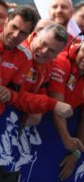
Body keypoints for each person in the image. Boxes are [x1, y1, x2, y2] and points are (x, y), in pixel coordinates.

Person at [48, 40, 84, 180]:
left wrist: (75, 155)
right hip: (40, 120)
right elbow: (58, 106)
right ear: (78, 48)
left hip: (59, 133)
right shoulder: (62, 61)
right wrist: (66, 139)